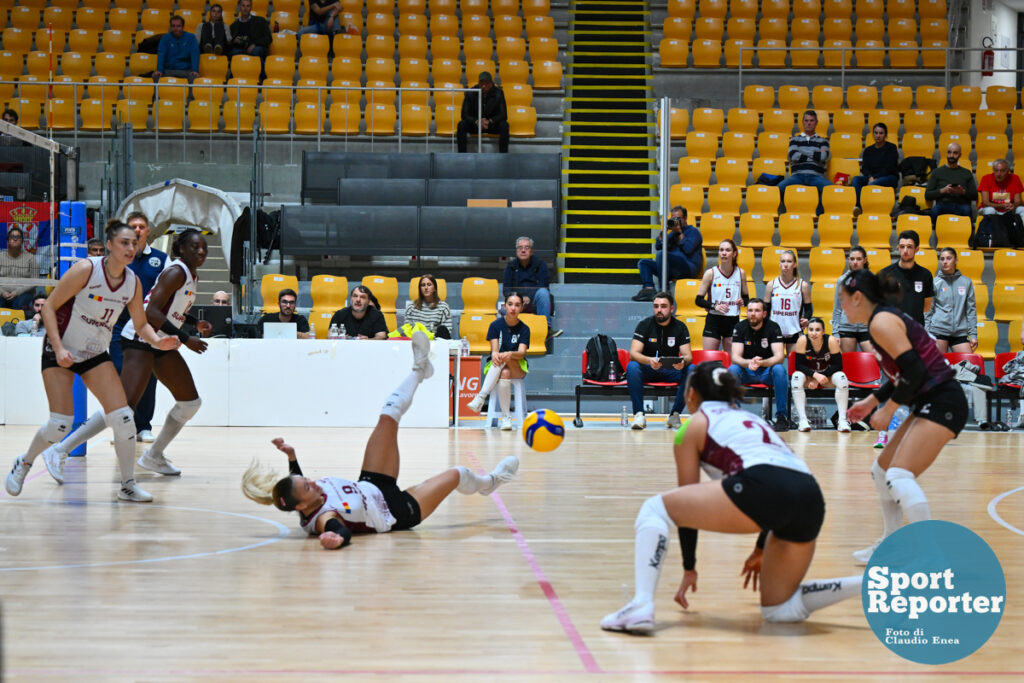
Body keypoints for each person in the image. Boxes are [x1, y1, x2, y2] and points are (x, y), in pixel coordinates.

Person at [600, 362, 862, 634]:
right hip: (810, 494)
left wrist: (689, 567)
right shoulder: (756, 420)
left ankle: (641, 604)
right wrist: (762, 548)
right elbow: (781, 483)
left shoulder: (693, 426)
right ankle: (866, 583)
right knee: (779, 610)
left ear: (691, 394)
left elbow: (686, 501)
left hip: (760, 485)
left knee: (654, 509)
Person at [242, 332, 520, 549]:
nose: (312, 482)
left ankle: (419, 370)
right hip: (397, 512)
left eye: (305, 480)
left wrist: (292, 457)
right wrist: (336, 540)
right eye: (307, 487)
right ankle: (490, 483)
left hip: (372, 482)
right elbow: (336, 530)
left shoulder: (304, 497)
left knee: (388, 414)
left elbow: (296, 484)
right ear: (303, 507)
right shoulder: (323, 519)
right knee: (459, 474)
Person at [4, 221, 180, 502]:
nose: (131, 248)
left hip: (95, 353)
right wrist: (59, 348)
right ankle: (24, 462)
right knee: (60, 423)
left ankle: (127, 485)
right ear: (109, 245)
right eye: (124, 242)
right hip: (61, 347)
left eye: (134, 243)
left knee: (123, 418)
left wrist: (158, 341)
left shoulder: (132, 282)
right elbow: (49, 307)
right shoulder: (87, 269)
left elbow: (141, 323)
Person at [40, 230, 212, 480]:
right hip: (140, 338)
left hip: (160, 340)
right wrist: (186, 339)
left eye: (204, 248)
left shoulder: (188, 274)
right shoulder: (176, 271)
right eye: (195, 247)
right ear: (181, 249)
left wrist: (193, 322)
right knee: (123, 409)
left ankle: (153, 456)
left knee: (190, 403)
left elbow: (167, 308)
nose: (201, 252)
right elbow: (151, 311)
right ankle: (59, 449)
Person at [841, 269, 968, 564]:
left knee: (898, 474)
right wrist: (873, 400)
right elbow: (903, 373)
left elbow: (915, 372)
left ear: (857, 297)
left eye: (843, 300)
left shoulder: (882, 322)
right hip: (930, 400)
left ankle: (929, 554)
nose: (842, 306)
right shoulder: (882, 319)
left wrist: (888, 409)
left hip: (943, 400)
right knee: (881, 471)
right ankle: (892, 544)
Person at [116, 212, 170, 444]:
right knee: (120, 376)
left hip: (147, 328)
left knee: (148, 377)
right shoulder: (117, 259)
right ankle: (122, 426)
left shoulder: (162, 259)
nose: (137, 230)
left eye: (141, 226)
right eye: (132, 226)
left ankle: (144, 426)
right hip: (118, 328)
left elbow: (169, 293)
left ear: (149, 231)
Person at [624, 291, 693, 430]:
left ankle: (674, 415)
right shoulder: (644, 325)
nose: (659, 310)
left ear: (671, 308)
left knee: (692, 370)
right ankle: (639, 415)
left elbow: (688, 356)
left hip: (671, 369)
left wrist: (682, 362)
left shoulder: (680, 327)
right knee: (632, 367)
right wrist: (649, 360)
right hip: (649, 368)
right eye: (656, 306)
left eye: (663, 306)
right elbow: (633, 353)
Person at [467, 292, 530, 430]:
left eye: (517, 305)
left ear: (521, 308)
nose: (513, 308)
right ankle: (506, 418)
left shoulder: (525, 329)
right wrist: (497, 355)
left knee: (505, 358)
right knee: (503, 371)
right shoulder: (495, 325)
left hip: (517, 366)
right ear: (505, 306)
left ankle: (481, 397)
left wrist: (509, 354)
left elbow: (521, 353)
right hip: (499, 365)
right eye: (510, 304)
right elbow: (494, 350)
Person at [729, 299, 790, 431]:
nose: (753, 314)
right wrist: (749, 363)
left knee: (780, 369)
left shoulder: (773, 327)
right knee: (732, 369)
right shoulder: (740, 327)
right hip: (747, 371)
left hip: (766, 371)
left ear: (764, 314)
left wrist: (762, 362)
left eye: (757, 310)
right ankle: (735, 416)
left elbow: (779, 357)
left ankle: (781, 417)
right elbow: (735, 357)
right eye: (750, 310)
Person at [790, 318, 850, 432]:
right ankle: (803, 420)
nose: (814, 333)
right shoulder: (802, 340)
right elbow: (798, 365)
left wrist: (819, 379)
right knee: (796, 377)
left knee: (842, 378)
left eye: (817, 330)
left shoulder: (831, 340)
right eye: (811, 330)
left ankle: (842, 421)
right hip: (809, 377)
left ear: (823, 331)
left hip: (827, 377)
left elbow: (838, 365)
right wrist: (814, 375)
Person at [633, 206, 702, 302]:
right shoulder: (672, 233)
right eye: (673, 218)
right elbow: (658, 247)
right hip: (671, 268)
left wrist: (679, 232)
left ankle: (665, 291)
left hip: (688, 267)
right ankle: (649, 289)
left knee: (662, 255)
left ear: (685, 218)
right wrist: (663, 233)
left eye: (678, 218)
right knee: (644, 262)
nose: (675, 221)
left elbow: (688, 250)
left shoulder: (693, 232)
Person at [695, 239, 748, 351]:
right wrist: (715, 306)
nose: (724, 253)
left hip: (732, 321)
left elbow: (746, 298)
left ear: (734, 254)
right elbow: (698, 300)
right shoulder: (711, 273)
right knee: (709, 360)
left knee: (732, 362)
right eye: (721, 250)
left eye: (728, 250)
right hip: (714, 321)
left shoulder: (740, 273)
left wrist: (742, 302)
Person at [502, 236, 560, 338]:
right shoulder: (510, 266)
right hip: (516, 302)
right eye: (520, 248)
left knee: (543, 293)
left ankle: (546, 329)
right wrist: (519, 298)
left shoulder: (541, 265)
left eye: (527, 248)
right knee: (503, 309)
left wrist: (529, 297)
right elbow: (506, 289)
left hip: (535, 302)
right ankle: (508, 334)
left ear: (532, 251)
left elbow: (543, 285)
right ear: (516, 251)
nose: (523, 250)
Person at [777, 110, 831, 215]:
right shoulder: (794, 139)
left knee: (831, 190)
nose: (809, 123)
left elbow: (823, 157)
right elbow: (793, 155)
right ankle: (788, 212)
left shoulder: (823, 141)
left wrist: (802, 152)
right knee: (779, 189)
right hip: (797, 175)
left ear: (816, 122)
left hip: (816, 176)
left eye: (811, 120)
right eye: (806, 120)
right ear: (802, 122)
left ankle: (818, 214)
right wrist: (815, 154)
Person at [925, 248, 977, 354]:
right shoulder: (934, 282)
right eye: (942, 259)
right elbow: (928, 310)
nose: (945, 261)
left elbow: (971, 310)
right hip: (938, 330)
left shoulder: (966, 282)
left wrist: (973, 335)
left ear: (956, 260)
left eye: (949, 258)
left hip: (960, 332)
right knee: (938, 367)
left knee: (970, 366)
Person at [878, 230, 933, 326]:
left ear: (917, 249)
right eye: (902, 247)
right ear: (898, 248)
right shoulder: (886, 273)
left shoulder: (925, 275)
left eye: (909, 247)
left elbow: (927, 306)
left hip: (917, 329)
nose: (905, 251)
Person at [763, 249, 811, 352]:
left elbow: (808, 310)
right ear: (779, 264)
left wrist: (806, 318)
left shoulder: (802, 285)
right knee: (775, 365)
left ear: (794, 264)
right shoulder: (771, 285)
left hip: (794, 331)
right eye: (783, 261)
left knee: (793, 364)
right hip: (774, 331)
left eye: (789, 261)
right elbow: (765, 310)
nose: (785, 264)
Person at [832, 246, 873, 353]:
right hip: (846, 328)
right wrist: (835, 333)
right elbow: (837, 308)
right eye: (852, 259)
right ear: (848, 260)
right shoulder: (842, 280)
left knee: (874, 360)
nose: (855, 262)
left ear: (865, 260)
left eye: (859, 259)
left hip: (866, 328)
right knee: (850, 363)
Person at [851, 122, 899, 212]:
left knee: (872, 185)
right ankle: (858, 207)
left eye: (881, 133)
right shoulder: (868, 150)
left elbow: (890, 167)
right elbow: (865, 168)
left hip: (889, 177)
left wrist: (875, 178)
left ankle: (867, 207)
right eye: (876, 133)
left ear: (885, 135)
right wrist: (870, 177)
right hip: (871, 178)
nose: (878, 135)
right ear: (873, 134)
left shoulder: (891, 148)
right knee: (856, 179)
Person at [456, 71, 509, 154]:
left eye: (486, 83)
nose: (483, 86)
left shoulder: (499, 93)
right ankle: (462, 154)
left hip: (491, 124)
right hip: (475, 124)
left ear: (491, 83)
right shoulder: (471, 92)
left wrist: (490, 121)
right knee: (461, 125)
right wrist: (477, 121)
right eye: (481, 83)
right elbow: (464, 114)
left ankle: (503, 155)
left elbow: (503, 115)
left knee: (504, 125)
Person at [925, 143, 977, 224]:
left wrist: (962, 192)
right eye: (949, 152)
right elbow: (927, 195)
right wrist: (943, 191)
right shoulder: (937, 172)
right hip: (943, 204)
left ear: (960, 155)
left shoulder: (966, 173)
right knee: (935, 211)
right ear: (946, 153)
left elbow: (975, 195)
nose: (951, 155)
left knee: (967, 210)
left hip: (961, 204)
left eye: (955, 153)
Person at [1, 226, 40, 312]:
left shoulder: (30, 258)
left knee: (18, 305)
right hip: (2, 293)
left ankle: (17, 325)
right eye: (12, 237)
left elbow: (35, 281)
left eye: (18, 237)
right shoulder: (0, 257)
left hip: (23, 293)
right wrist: (2, 292)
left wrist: (17, 292)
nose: (15, 239)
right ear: (8, 240)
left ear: (22, 240)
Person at [403, 274, 451, 338]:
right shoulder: (411, 307)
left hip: (436, 343)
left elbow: (447, 332)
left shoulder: (443, 307)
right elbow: (407, 330)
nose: (426, 288)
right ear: (420, 289)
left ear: (434, 288)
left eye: (429, 285)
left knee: (442, 329)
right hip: (416, 342)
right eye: (423, 285)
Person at [154, 15, 200, 81]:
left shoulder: (191, 38)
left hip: (185, 71)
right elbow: (161, 54)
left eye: (178, 26)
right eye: (173, 26)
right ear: (171, 27)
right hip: (168, 70)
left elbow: (195, 54)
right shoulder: (165, 38)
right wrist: (159, 70)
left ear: (183, 27)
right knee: (156, 76)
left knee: (194, 76)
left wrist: (195, 70)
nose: (176, 28)